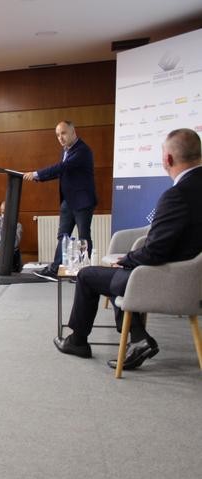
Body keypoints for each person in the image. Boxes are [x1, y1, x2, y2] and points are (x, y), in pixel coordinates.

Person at [53, 128, 202, 370]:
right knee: (115, 279)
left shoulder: (177, 195)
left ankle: (78, 341)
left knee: (88, 275)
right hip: (192, 280)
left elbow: (154, 252)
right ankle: (138, 337)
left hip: (165, 280)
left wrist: (126, 259)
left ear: (168, 160)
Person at [24, 121, 97, 281]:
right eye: (57, 135)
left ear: (73, 132)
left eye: (63, 133)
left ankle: (82, 272)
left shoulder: (82, 150)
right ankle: (55, 269)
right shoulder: (65, 151)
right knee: (62, 236)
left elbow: (62, 167)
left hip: (82, 202)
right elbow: (61, 172)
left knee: (83, 237)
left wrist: (37, 173)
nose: (60, 138)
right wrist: (39, 179)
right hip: (68, 202)